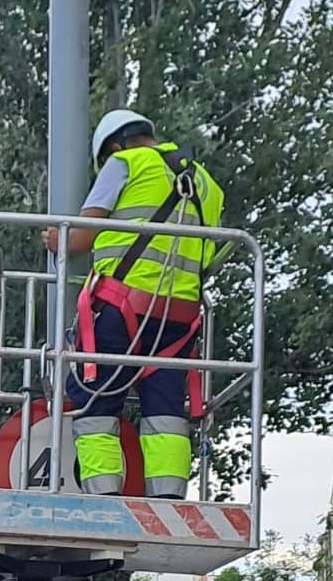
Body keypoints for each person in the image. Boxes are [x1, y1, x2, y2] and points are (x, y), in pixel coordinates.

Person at [40, 109, 224, 499]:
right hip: (179, 320)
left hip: (122, 309)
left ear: (114, 146)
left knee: (95, 400)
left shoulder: (124, 163)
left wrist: (57, 241)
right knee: (166, 410)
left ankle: (103, 498)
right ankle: (169, 499)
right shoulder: (207, 184)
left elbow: (81, 238)